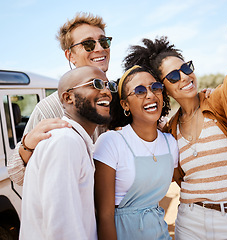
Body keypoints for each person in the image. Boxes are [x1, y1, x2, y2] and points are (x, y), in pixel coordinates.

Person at [122, 8, 227, 240]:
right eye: (173, 77)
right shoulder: (170, 130)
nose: (184, 77)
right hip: (190, 223)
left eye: (186, 68)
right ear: (162, 88)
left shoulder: (218, 103)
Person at [7, 12, 113, 185]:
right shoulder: (48, 108)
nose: (100, 48)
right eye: (88, 44)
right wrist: (26, 146)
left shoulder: (117, 95)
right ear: (70, 56)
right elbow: (17, 176)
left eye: (104, 41)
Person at [19, 66, 113, 239]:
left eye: (109, 85)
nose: (107, 91)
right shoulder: (65, 141)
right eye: (96, 84)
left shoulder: (75, 139)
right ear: (68, 97)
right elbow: (62, 228)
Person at [93, 65, 179, 240]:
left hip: (160, 234)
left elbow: (189, 184)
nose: (150, 95)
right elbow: (104, 216)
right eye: (139, 91)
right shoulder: (112, 142)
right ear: (125, 104)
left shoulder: (171, 143)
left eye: (155, 88)